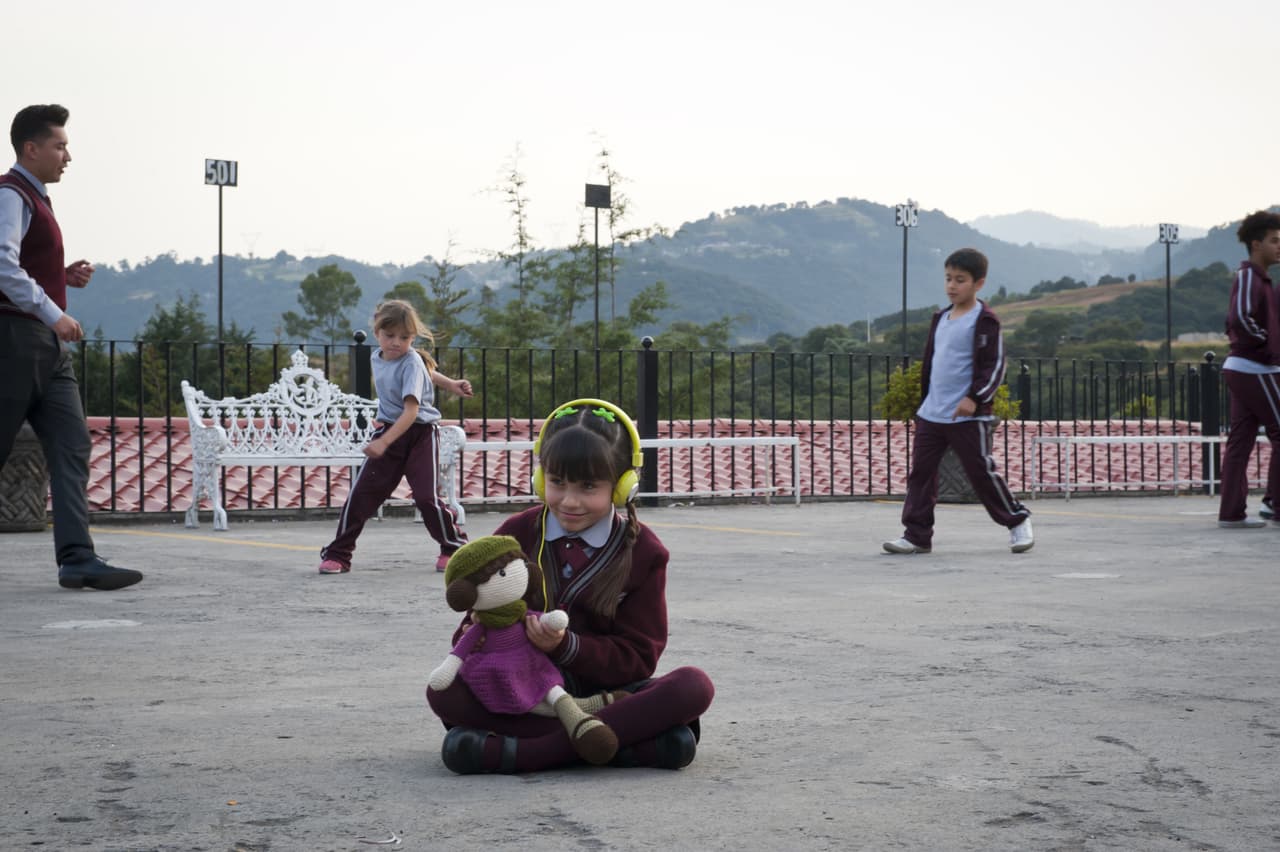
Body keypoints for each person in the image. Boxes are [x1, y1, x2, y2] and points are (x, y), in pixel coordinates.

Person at [426, 399, 715, 773]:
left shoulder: (644, 551)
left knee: (693, 687)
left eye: (588, 486)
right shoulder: (516, 534)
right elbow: (477, 621)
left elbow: (640, 656)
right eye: (557, 482)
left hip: (604, 692)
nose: (570, 500)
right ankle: (627, 745)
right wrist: (473, 635)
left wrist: (566, 647)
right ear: (540, 476)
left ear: (622, 485)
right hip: (522, 693)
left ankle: (525, 752)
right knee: (443, 691)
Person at [0, 104, 142, 590]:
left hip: (45, 348)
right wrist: (54, 312)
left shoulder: (34, 197)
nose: (68, 156)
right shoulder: (10, 194)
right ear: (31, 149)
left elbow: (23, 267)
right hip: (14, 341)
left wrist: (61, 280)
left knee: (72, 445)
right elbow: (2, 267)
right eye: (60, 146)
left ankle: (78, 557)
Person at [882, 247, 1033, 555]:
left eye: (960, 280)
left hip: (967, 415)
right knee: (921, 474)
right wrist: (924, 404)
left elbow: (995, 366)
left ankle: (1017, 521)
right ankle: (916, 535)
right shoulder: (941, 318)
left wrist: (974, 398)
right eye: (948, 278)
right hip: (932, 414)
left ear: (979, 283)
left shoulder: (986, 320)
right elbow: (932, 363)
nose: (952, 285)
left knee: (981, 472)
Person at [316, 299, 473, 573]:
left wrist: (383, 442)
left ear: (413, 337)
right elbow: (429, 372)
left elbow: (411, 412)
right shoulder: (379, 356)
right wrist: (451, 384)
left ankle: (454, 548)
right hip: (390, 430)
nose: (397, 343)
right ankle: (338, 554)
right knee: (360, 495)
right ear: (377, 331)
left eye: (405, 337)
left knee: (426, 498)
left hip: (420, 435)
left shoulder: (410, 361)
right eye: (390, 336)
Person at [1216, 210, 1280, 528]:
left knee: (1240, 439)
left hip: (1247, 367)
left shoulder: (1265, 281)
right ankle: (1276, 506)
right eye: (1274, 241)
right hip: (1254, 367)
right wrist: (1267, 345)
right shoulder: (1248, 277)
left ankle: (1231, 513)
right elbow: (1240, 318)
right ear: (1256, 245)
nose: (1279, 246)